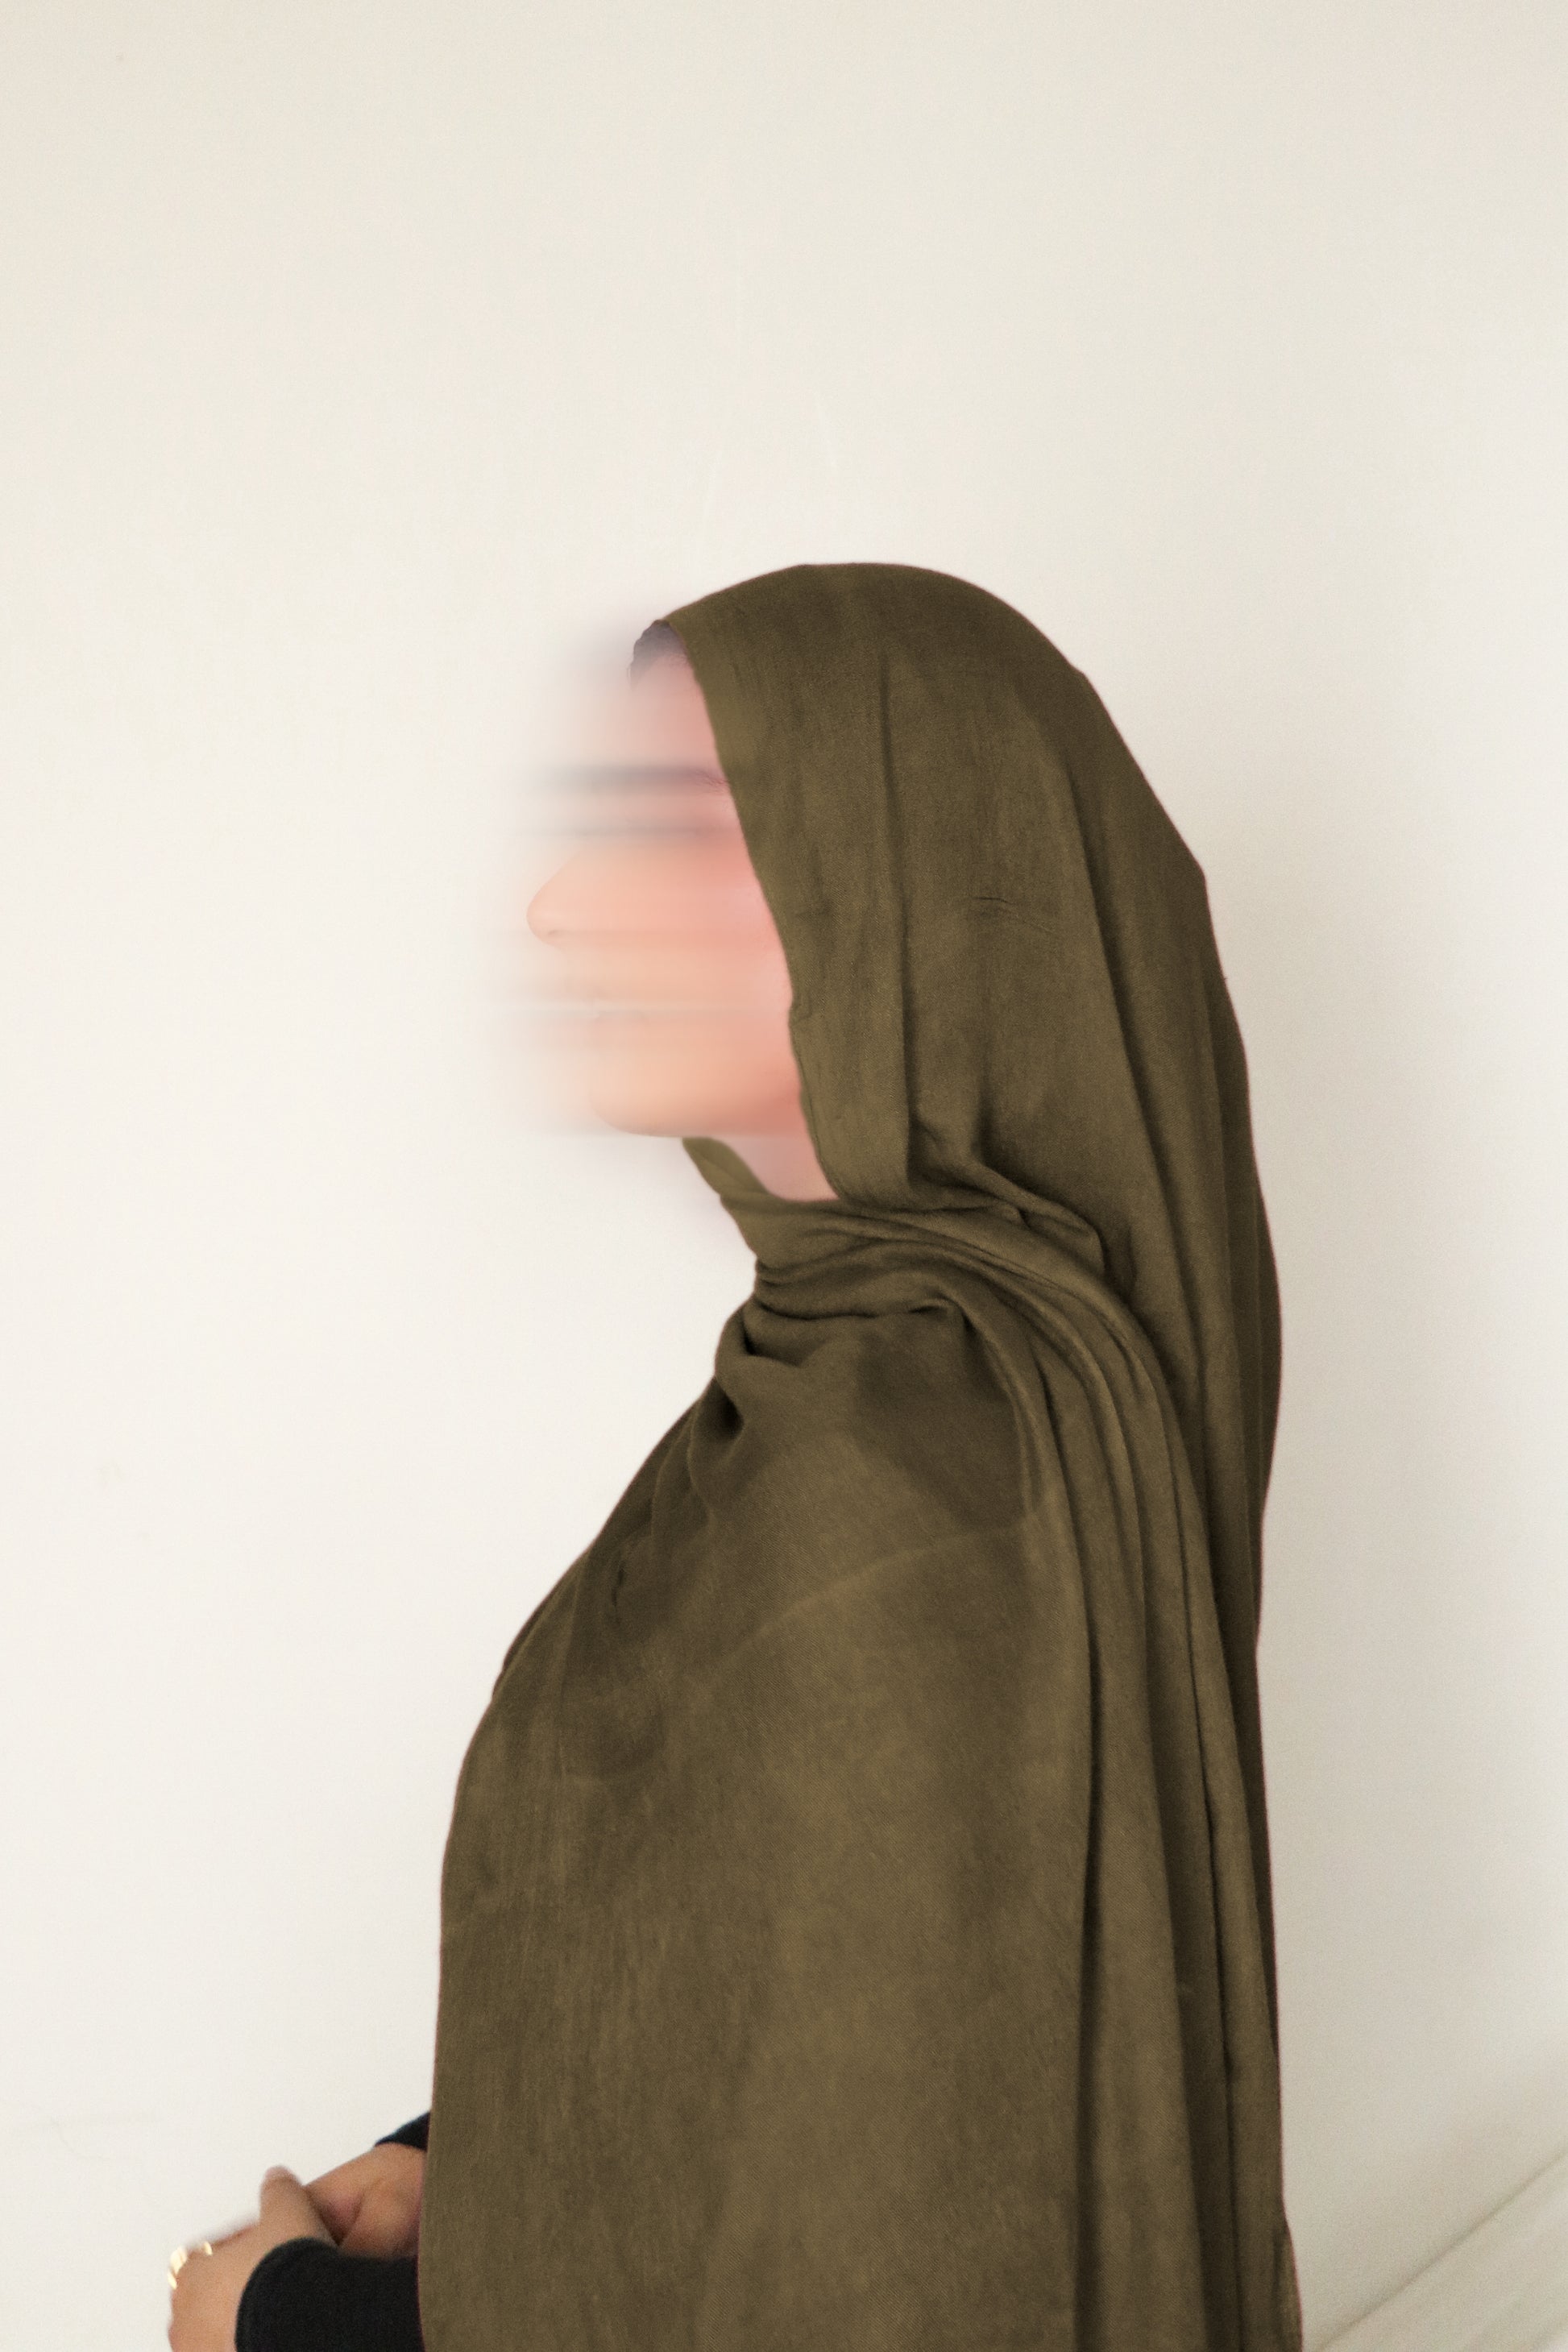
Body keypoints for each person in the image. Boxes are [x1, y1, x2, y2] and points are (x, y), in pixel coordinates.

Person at [169, 561, 1303, 2351]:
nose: (560, 903)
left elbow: (892, 2282)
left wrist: (290, 2324)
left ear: (904, 887)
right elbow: (828, 2046)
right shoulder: (911, 1392)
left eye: (675, 821)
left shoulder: (917, 1485)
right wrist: (479, 2157)